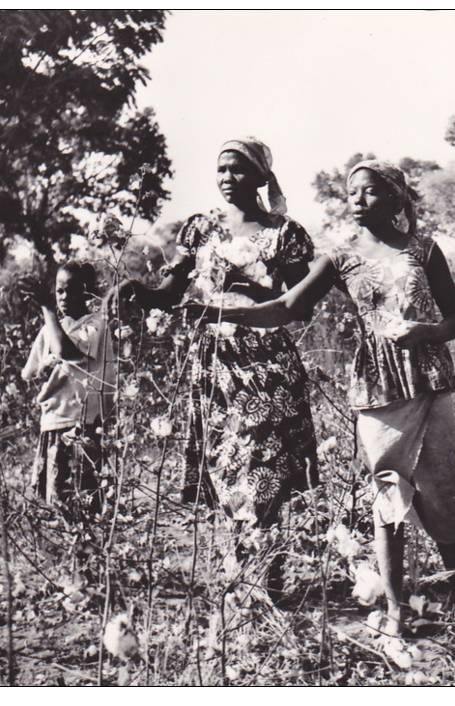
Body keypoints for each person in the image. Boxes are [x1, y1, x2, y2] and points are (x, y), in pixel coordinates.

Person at [183, 160, 455, 636]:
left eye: (371, 192)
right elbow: (288, 307)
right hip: (377, 387)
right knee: (387, 493)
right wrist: (217, 311)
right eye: (353, 192)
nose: (358, 200)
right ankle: (396, 609)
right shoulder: (340, 257)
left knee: (444, 490)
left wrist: (427, 330)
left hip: (430, 378)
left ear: (397, 199)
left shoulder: (424, 249)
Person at [111, 138, 319, 595]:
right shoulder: (201, 230)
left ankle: (265, 573)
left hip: (266, 363)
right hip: (213, 363)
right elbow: (170, 290)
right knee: (227, 465)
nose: (228, 178)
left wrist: (246, 283)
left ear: (263, 178)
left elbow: (298, 307)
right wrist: (135, 289)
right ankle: (241, 574)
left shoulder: (285, 234)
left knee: (264, 464)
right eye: (222, 169)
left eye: (239, 170)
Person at [20, 261, 114, 525]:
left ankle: (86, 559)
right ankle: (72, 559)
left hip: (81, 426)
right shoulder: (50, 329)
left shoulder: (96, 325)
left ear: (87, 293)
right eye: (59, 291)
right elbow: (28, 373)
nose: (62, 297)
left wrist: (47, 309)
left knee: (83, 501)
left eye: (70, 291)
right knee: (58, 503)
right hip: (53, 423)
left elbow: (67, 351)